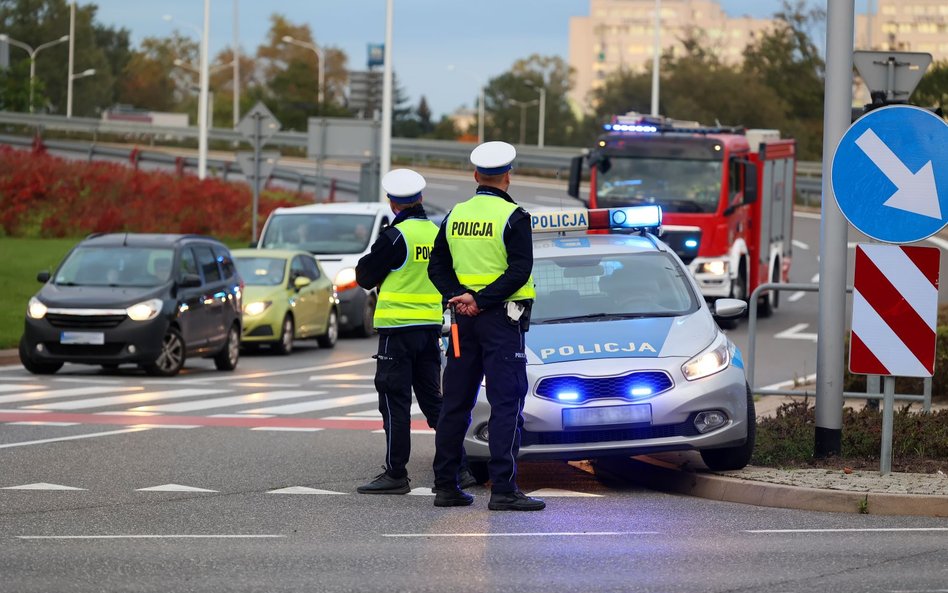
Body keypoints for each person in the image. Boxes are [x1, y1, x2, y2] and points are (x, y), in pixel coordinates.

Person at [427, 141, 545, 511]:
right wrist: (482, 299)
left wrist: (459, 295)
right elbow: (519, 270)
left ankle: (446, 486)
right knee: (506, 403)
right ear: (508, 176)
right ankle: (504, 490)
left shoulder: (455, 215)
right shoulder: (515, 217)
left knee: (456, 404)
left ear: (476, 176)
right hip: (500, 321)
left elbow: (437, 267)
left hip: (462, 321)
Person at [354, 168, 476, 495]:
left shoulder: (395, 236)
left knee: (394, 402)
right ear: (420, 199)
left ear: (393, 203)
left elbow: (364, 276)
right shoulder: (436, 232)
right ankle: (460, 468)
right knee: (434, 403)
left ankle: (396, 473)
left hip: (397, 330)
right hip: (428, 329)